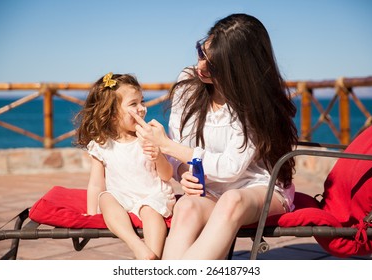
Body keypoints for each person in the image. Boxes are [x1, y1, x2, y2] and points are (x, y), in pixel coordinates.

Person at [130, 13, 298, 259]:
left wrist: (166, 145)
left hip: (257, 186)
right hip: (208, 189)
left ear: (239, 69)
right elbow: (180, 151)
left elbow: (231, 168)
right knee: (186, 207)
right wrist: (183, 173)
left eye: (213, 64)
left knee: (231, 201)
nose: (201, 66)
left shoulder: (252, 103)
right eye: (201, 52)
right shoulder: (188, 83)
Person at [74, 72, 176, 260]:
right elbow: (96, 183)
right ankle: (137, 245)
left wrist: (158, 155)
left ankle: (151, 258)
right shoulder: (101, 143)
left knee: (151, 213)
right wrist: (90, 214)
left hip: (152, 194)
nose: (142, 109)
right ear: (112, 114)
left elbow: (167, 175)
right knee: (105, 199)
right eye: (133, 104)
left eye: (142, 102)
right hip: (122, 196)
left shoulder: (150, 136)